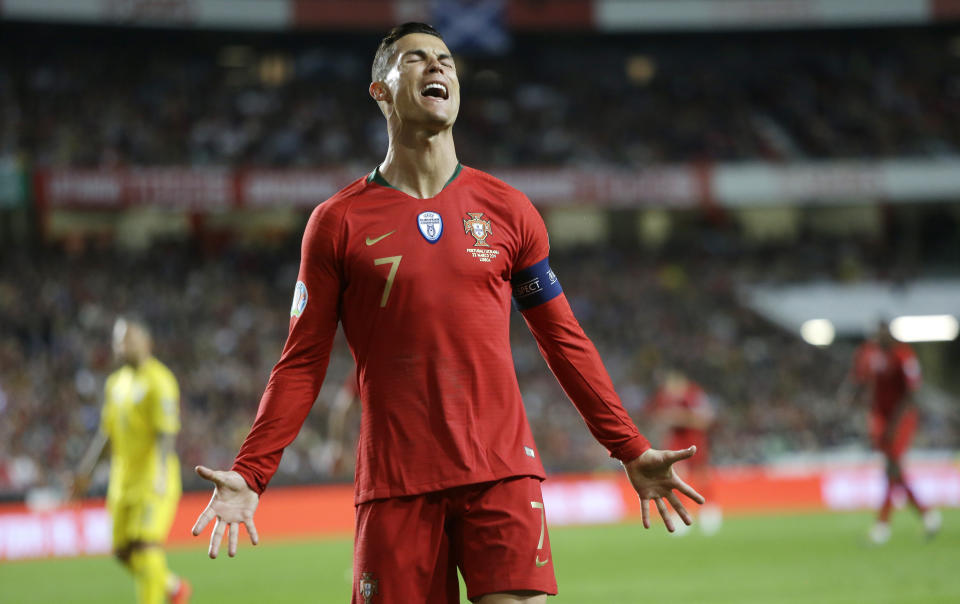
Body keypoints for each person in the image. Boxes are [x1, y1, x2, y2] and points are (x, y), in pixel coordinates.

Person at [191, 23, 704, 604]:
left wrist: (630, 447)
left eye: (446, 61)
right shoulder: (336, 223)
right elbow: (301, 362)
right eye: (416, 59)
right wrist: (253, 470)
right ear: (380, 91)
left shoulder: (509, 210)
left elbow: (563, 340)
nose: (437, 68)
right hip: (396, 485)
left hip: (503, 471)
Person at [72, 318, 191, 604]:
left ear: (146, 342)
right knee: (122, 552)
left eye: (129, 339)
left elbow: (166, 433)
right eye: (118, 340)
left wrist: (162, 472)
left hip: (152, 478)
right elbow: (107, 434)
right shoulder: (115, 384)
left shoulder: (160, 380)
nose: (123, 346)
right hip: (122, 482)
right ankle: (173, 587)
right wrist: (85, 472)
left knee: (145, 547)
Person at [846, 321, 941, 544]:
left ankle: (883, 526)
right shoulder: (872, 355)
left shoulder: (904, 356)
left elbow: (911, 393)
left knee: (892, 468)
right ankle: (926, 515)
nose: (878, 339)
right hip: (881, 417)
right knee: (893, 471)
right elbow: (861, 381)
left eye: (881, 334)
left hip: (902, 418)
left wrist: (894, 425)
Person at [647, 369, 721, 535]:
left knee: (700, 476)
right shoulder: (663, 396)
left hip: (694, 439)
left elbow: (705, 419)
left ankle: (709, 510)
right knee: (675, 477)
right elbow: (657, 416)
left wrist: (682, 417)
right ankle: (680, 515)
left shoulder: (693, 393)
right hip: (676, 440)